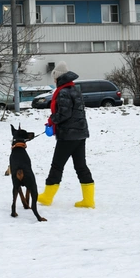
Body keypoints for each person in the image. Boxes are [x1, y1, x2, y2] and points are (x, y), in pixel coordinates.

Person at [38, 61, 94, 208]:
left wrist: (52, 120)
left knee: (57, 165)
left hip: (68, 135)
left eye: (54, 77)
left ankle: (47, 197)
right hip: (80, 134)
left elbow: (64, 114)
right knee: (81, 166)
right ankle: (88, 200)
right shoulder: (74, 90)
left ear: (58, 77)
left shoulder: (63, 92)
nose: (54, 80)